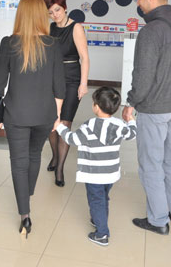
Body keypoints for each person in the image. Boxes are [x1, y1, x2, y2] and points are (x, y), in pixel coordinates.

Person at [0, 0, 65, 239]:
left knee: (19, 162)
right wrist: (57, 114)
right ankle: (28, 193)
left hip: (16, 114)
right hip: (45, 113)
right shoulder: (53, 44)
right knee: (34, 155)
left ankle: (25, 214)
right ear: (42, 15)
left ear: (20, 14)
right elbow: (59, 85)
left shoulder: (9, 43)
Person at [122, 0, 171, 235]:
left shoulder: (151, 31)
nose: (138, 2)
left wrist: (131, 102)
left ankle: (158, 220)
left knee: (151, 163)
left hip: (156, 107)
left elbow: (143, 75)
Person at [56, 87, 137, 246]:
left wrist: (59, 126)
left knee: (96, 200)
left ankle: (102, 234)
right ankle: (98, 218)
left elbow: (72, 139)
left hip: (94, 174)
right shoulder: (119, 125)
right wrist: (130, 119)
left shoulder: (89, 126)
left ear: (97, 107)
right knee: (103, 197)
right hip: (110, 173)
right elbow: (132, 134)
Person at [42, 0, 90, 187]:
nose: (55, 15)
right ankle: (55, 156)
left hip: (71, 79)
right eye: (50, 12)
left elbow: (84, 58)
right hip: (52, 78)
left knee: (65, 122)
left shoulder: (76, 28)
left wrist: (83, 83)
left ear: (64, 7)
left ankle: (60, 168)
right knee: (51, 122)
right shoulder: (50, 28)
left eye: (57, 10)